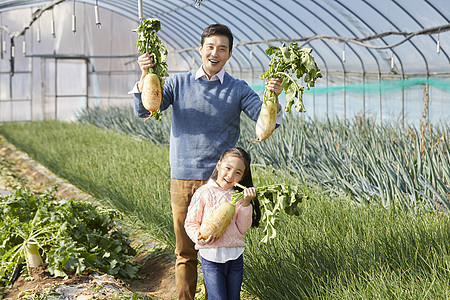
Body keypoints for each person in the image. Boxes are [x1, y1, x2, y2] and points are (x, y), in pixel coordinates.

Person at [131, 24, 283, 300]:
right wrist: (145, 75)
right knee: (186, 251)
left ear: (229, 53)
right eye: (210, 47)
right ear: (200, 49)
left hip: (222, 184)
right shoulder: (178, 83)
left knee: (221, 249)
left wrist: (273, 95)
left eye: (222, 48)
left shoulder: (238, 89)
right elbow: (145, 109)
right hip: (184, 178)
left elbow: (264, 120)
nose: (215, 53)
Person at [184, 147, 259, 300]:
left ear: (243, 176)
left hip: (235, 256)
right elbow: (191, 223)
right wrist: (199, 238)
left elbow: (243, 228)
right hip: (211, 257)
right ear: (218, 165)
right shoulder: (204, 192)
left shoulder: (238, 197)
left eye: (238, 172)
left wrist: (246, 204)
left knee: (234, 298)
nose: (231, 175)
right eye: (228, 168)